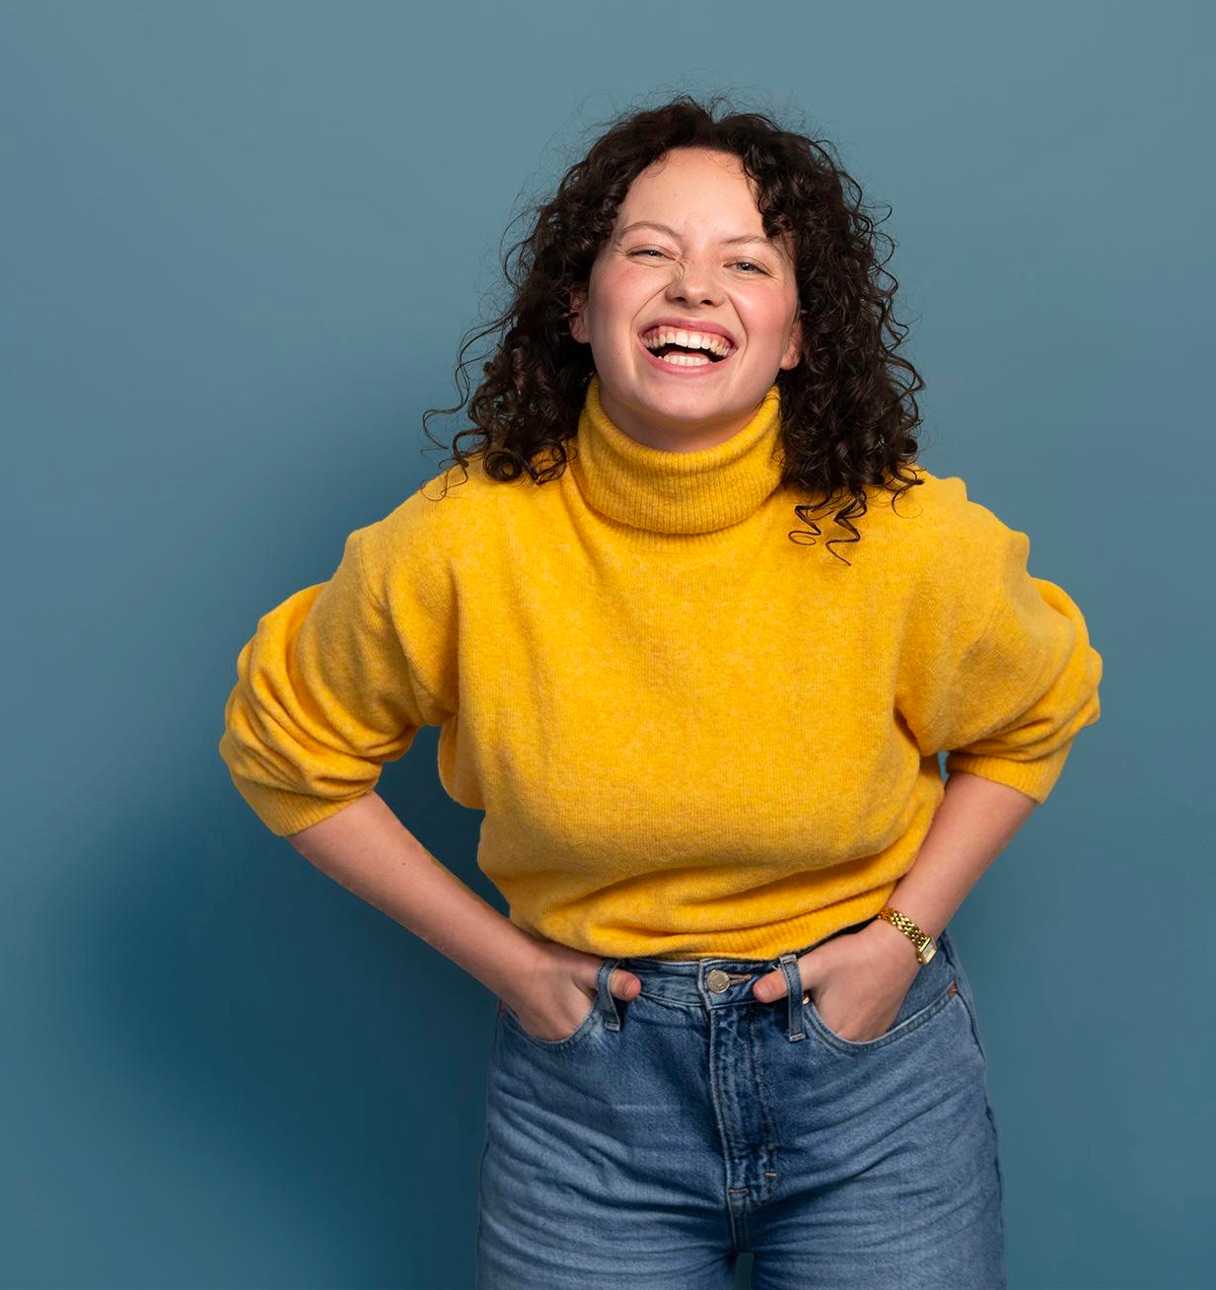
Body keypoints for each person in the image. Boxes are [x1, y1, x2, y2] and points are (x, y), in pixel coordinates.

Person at [218, 94, 1102, 1289]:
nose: (694, 287)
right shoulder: (459, 545)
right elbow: (286, 752)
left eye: (745, 261)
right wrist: (513, 970)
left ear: (796, 335)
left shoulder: (903, 536)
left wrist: (902, 937)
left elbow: (1030, 716)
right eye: (649, 252)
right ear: (579, 309)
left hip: (871, 1079)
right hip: (588, 1101)